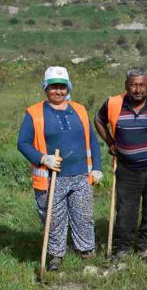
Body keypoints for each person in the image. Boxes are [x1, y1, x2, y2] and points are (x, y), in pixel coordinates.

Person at [17, 66, 103, 271]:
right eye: (53, 87)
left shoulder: (79, 110)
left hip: (81, 175)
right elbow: (23, 143)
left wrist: (97, 167)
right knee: (53, 219)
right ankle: (56, 255)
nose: (58, 91)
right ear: (46, 88)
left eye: (62, 87)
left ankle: (86, 250)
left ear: (68, 88)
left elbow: (92, 140)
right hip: (51, 178)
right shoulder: (34, 113)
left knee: (83, 215)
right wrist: (43, 158)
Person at [94, 66, 147, 264]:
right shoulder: (113, 103)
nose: (138, 89)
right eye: (133, 85)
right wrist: (110, 142)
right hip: (127, 169)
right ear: (126, 86)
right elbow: (98, 120)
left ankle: (145, 248)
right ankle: (122, 248)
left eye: (142, 85)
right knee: (126, 211)